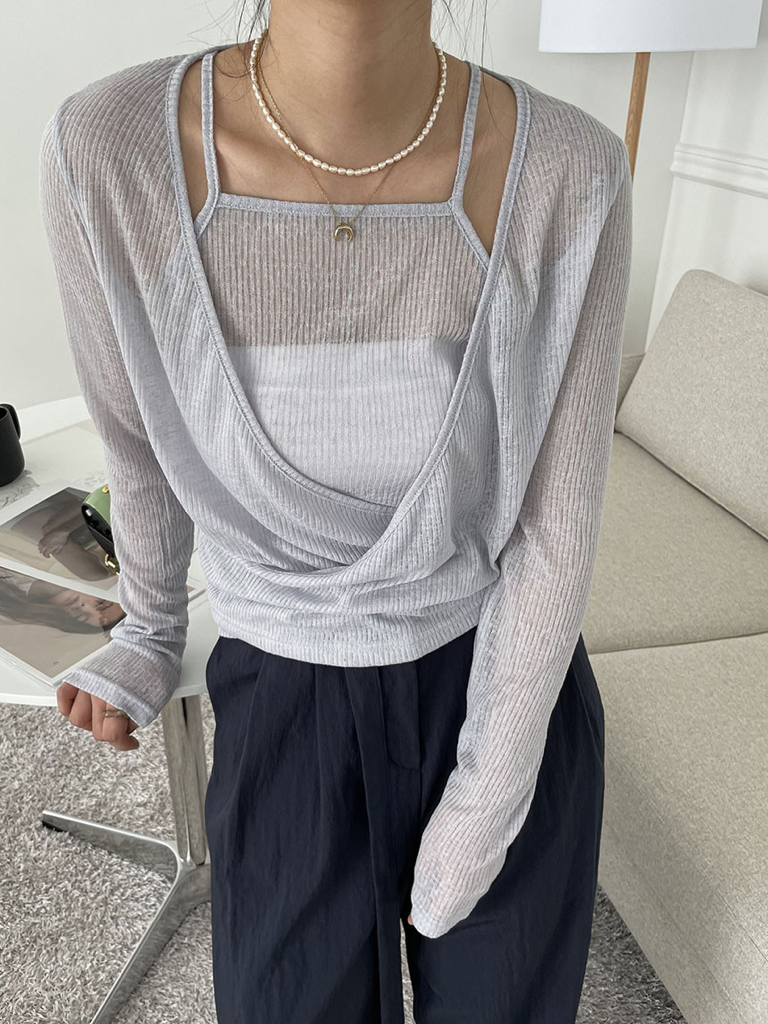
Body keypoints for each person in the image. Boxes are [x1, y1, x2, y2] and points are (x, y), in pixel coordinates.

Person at [40, 1, 633, 1020]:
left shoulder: (570, 170)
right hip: (281, 704)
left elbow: (556, 522)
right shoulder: (110, 151)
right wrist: (150, 626)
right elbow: (135, 436)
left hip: (504, 681)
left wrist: (487, 802)